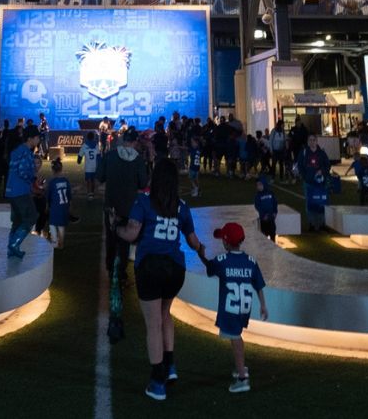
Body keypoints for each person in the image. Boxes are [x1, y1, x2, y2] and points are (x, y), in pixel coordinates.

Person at [117, 157, 206, 401]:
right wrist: (201, 250)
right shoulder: (181, 206)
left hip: (151, 267)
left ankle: (157, 381)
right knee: (165, 313)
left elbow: (132, 232)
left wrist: (116, 227)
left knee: (153, 322)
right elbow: (192, 240)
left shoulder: (144, 201)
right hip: (175, 268)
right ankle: (170, 365)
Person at [204, 221, 266, 393]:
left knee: (236, 339)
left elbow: (209, 269)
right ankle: (241, 368)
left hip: (229, 310)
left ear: (225, 242)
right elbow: (259, 284)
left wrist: (201, 254)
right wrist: (263, 305)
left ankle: (242, 377)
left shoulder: (222, 261)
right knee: (236, 337)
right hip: (243, 309)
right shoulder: (250, 261)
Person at [102, 128, 148, 285]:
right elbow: (143, 183)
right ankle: (121, 273)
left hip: (111, 205)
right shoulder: (138, 159)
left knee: (111, 238)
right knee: (125, 241)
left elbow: (100, 177)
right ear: (135, 142)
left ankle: (110, 269)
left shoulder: (110, 155)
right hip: (129, 207)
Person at [5, 127, 42, 257]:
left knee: (17, 221)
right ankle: (14, 244)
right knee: (31, 217)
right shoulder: (26, 152)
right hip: (20, 191)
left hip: (11, 190)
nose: (39, 140)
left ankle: (12, 250)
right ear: (30, 138)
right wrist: (33, 177)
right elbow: (23, 171)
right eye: (37, 138)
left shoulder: (16, 151)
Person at [48, 156, 73, 247]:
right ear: (61, 169)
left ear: (52, 170)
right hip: (64, 207)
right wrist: (69, 205)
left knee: (52, 224)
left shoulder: (52, 182)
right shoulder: (66, 181)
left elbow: (49, 196)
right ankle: (61, 243)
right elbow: (69, 195)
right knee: (61, 226)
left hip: (55, 207)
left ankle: (54, 242)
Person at [253, 175, 279, 241]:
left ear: (264, 184)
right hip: (264, 219)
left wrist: (275, 212)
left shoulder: (270, 193)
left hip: (271, 218)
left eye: (260, 185)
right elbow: (258, 206)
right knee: (264, 235)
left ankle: (273, 246)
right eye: (257, 185)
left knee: (272, 233)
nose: (258, 187)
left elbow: (275, 203)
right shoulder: (257, 196)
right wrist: (263, 215)